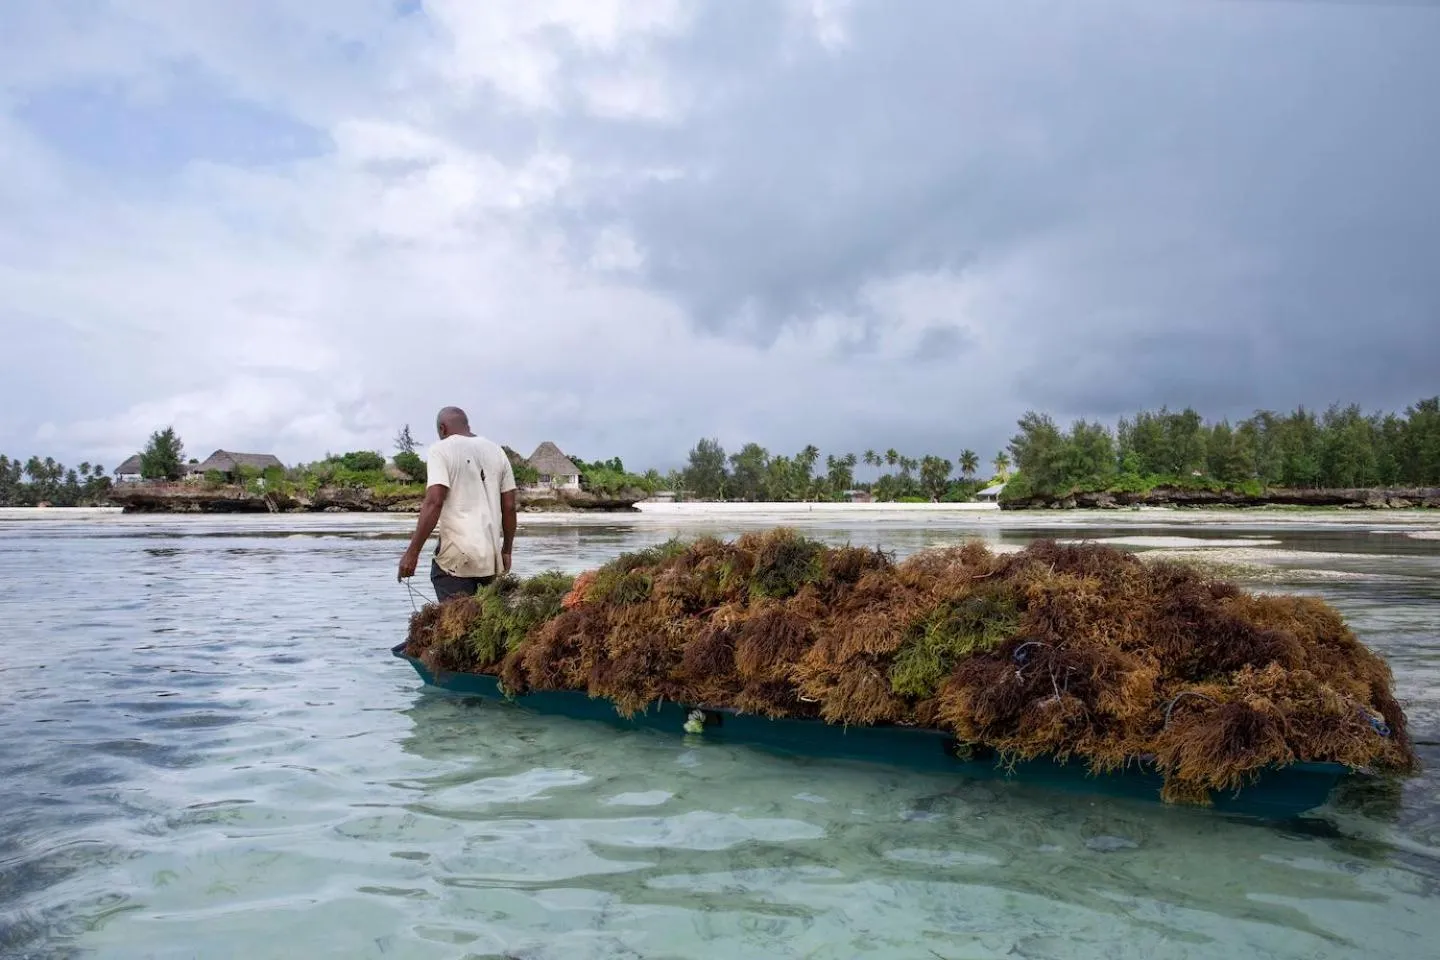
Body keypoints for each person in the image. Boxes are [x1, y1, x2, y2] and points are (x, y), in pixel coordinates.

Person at [397, 406, 517, 601]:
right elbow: (510, 507)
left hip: (456, 560)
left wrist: (412, 553)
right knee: (483, 624)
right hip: (490, 559)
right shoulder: (497, 451)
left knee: (456, 623)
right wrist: (507, 551)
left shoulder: (440, 449)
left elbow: (434, 501)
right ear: (467, 425)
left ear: (442, 429)